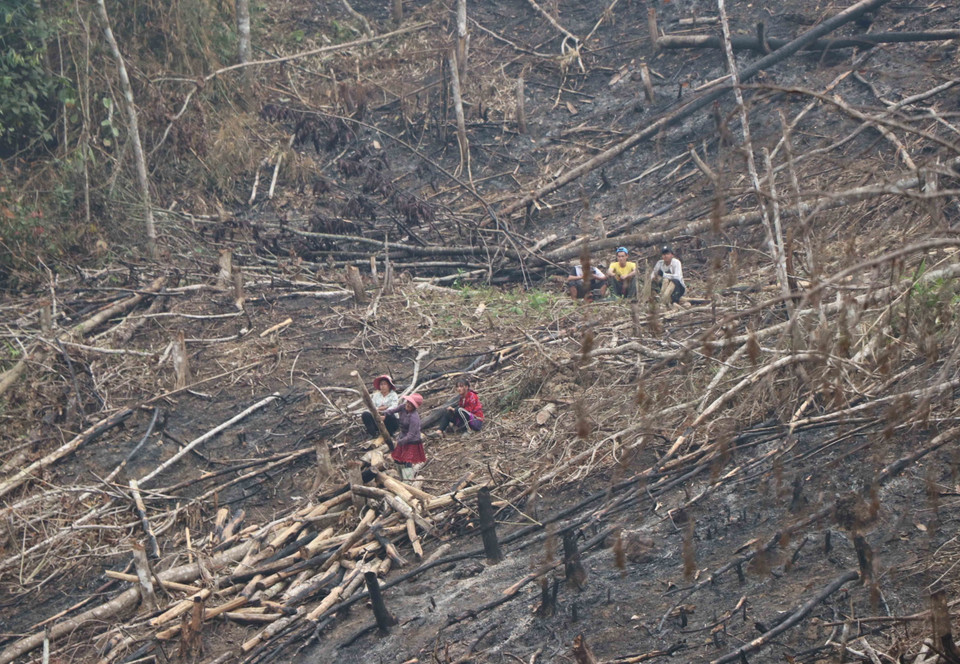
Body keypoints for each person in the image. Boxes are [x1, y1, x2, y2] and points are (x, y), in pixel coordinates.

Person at [384, 393, 425, 479]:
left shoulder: (414, 418)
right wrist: (384, 414)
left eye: (411, 404)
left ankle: (408, 479)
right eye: (408, 402)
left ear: (415, 406)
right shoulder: (403, 407)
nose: (408, 405)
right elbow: (393, 410)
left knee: (407, 460)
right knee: (398, 458)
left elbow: (411, 435)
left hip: (412, 441)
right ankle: (401, 476)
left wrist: (399, 442)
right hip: (403, 436)